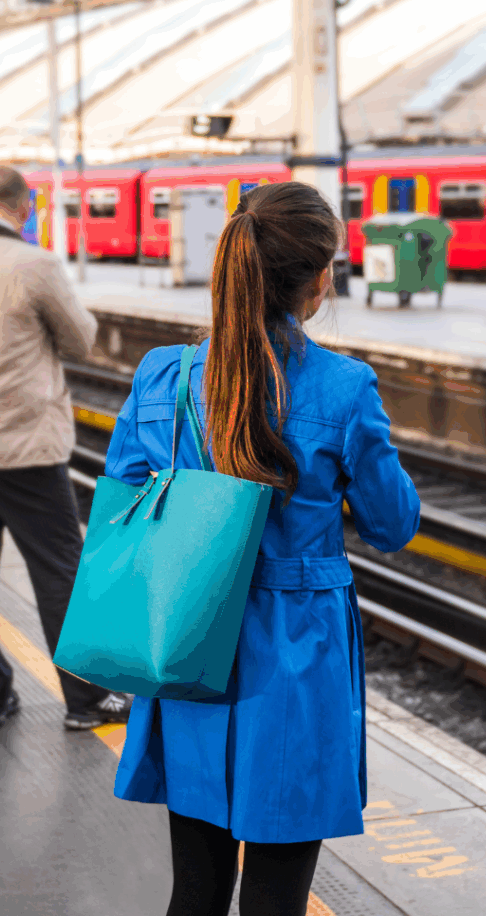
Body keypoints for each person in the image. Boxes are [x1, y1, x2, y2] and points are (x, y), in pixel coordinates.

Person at [105, 181, 421, 916]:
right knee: (278, 893)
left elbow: (122, 492)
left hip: (187, 635)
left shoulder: (164, 374)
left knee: (197, 884)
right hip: (295, 653)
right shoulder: (344, 388)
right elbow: (393, 523)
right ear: (315, 279)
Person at [0, 165, 131, 732]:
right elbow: (81, 341)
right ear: (25, 208)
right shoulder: (32, 265)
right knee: (59, 570)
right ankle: (88, 701)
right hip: (24, 448)